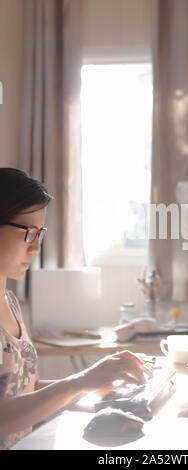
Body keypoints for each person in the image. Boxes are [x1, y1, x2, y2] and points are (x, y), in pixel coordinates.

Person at [0, 168, 152, 450]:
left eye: (40, 234)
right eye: (28, 233)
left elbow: (24, 391)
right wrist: (80, 381)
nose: (35, 248)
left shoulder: (10, 303)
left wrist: (98, 390)